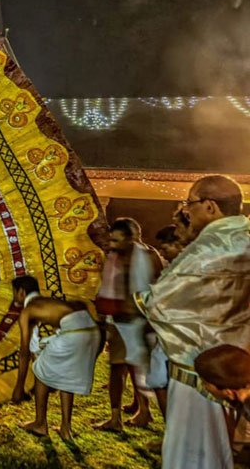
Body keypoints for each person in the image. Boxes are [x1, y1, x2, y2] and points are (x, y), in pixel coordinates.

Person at [135, 174, 250, 469]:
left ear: (210, 206)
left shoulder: (208, 248)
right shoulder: (245, 238)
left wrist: (142, 298)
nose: (188, 212)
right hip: (236, 366)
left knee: (192, 451)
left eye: (191, 204)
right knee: (220, 443)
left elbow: (162, 304)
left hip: (198, 367)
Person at [10, 274, 103, 440]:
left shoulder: (28, 310)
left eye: (14, 292)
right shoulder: (49, 303)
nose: (13, 297)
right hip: (92, 332)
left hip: (75, 333)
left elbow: (24, 352)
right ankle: (66, 428)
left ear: (22, 292)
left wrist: (19, 387)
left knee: (40, 369)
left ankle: (40, 423)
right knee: (63, 372)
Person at [95, 218, 161, 431]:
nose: (112, 244)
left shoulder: (149, 257)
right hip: (118, 321)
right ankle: (117, 418)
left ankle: (144, 411)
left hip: (142, 320)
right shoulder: (113, 258)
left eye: (117, 240)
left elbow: (160, 285)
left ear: (132, 237)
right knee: (117, 368)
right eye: (111, 239)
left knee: (139, 369)